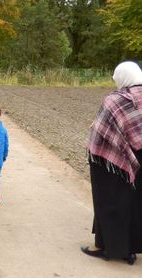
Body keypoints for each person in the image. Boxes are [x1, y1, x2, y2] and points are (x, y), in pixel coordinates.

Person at [82, 61, 142, 265]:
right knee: (136, 203)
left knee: (109, 202)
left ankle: (109, 247)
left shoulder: (115, 100)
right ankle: (131, 249)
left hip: (112, 161)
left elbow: (101, 128)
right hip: (139, 159)